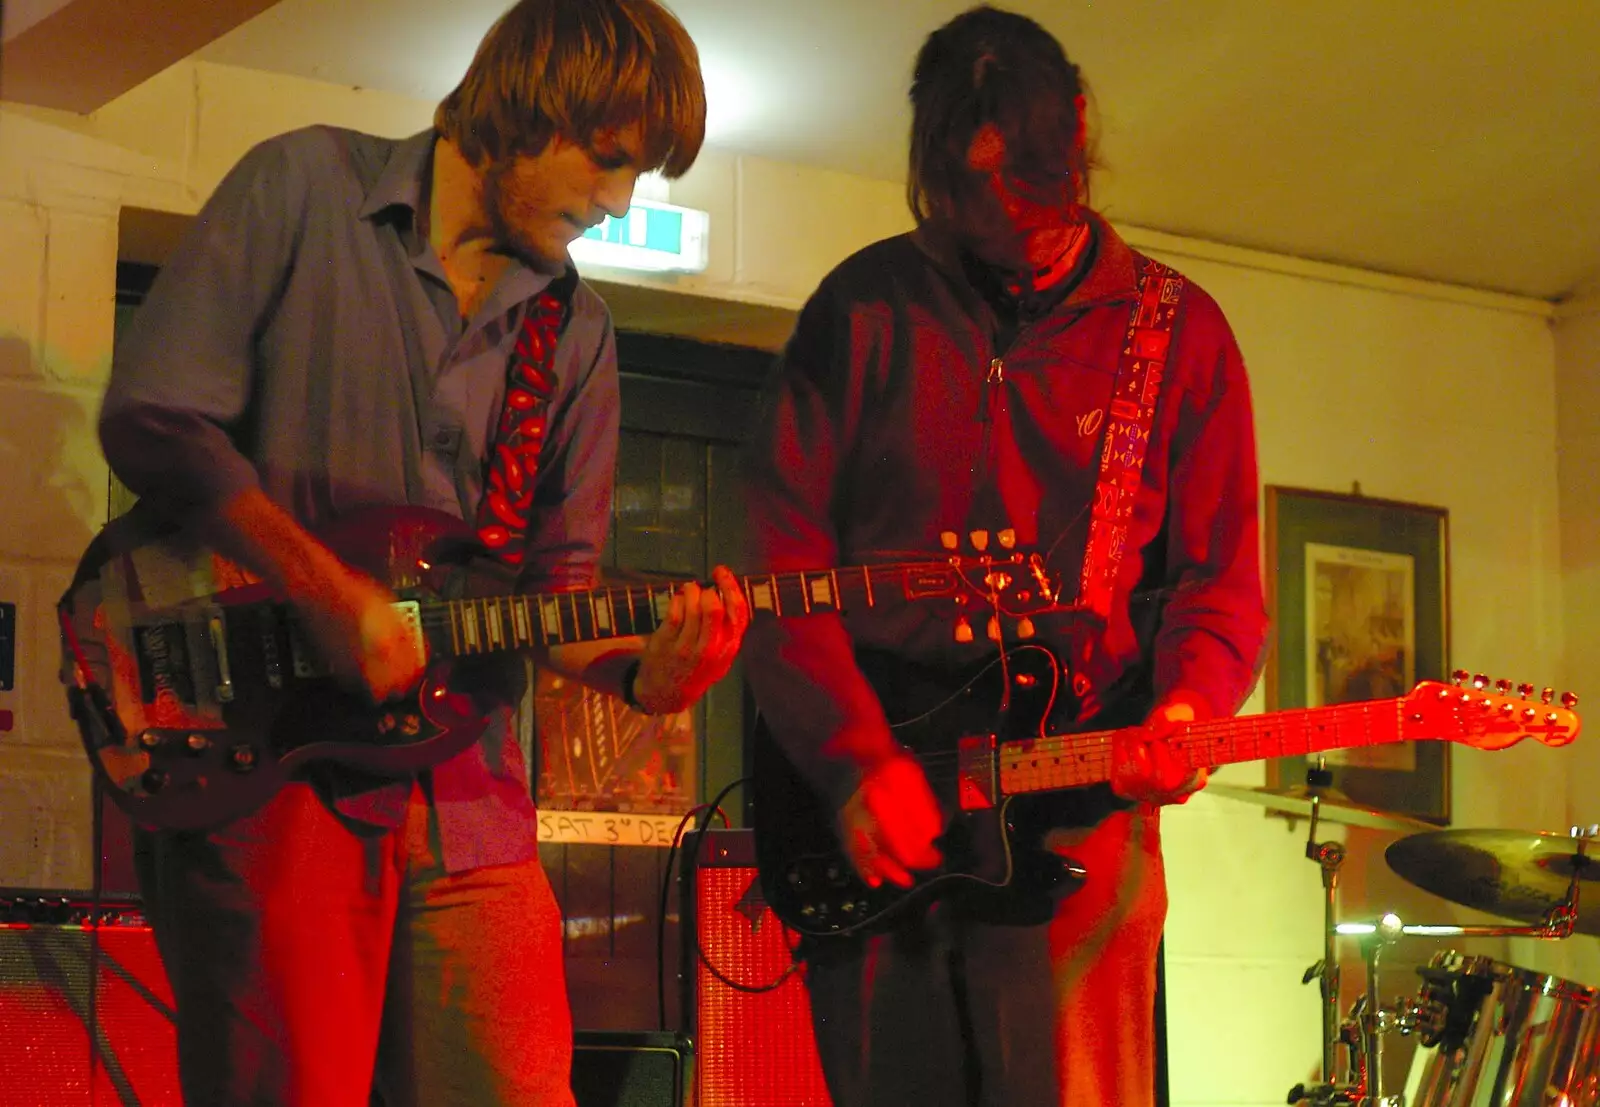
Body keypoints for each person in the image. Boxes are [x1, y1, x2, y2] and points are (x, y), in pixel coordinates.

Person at [94, 1, 749, 1104]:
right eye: (607, 160)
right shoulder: (302, 186)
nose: (617, 202)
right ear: (529, 104)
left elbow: (552, 600)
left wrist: (649, 676)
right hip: (273, 777)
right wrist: (319, 589)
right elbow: (153, 416)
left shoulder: (574, 332)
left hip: (471, 801)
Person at [741, 6, 1268, 1106]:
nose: (1007, 230)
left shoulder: (1182, 334)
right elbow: (777, 567)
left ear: (1076, 128)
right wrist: (846, 760)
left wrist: (1187, 706)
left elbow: (1217, 588)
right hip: (874, 804)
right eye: (970, 207)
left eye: (1026, 195)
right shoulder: (859, 308)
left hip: (1076, 795)